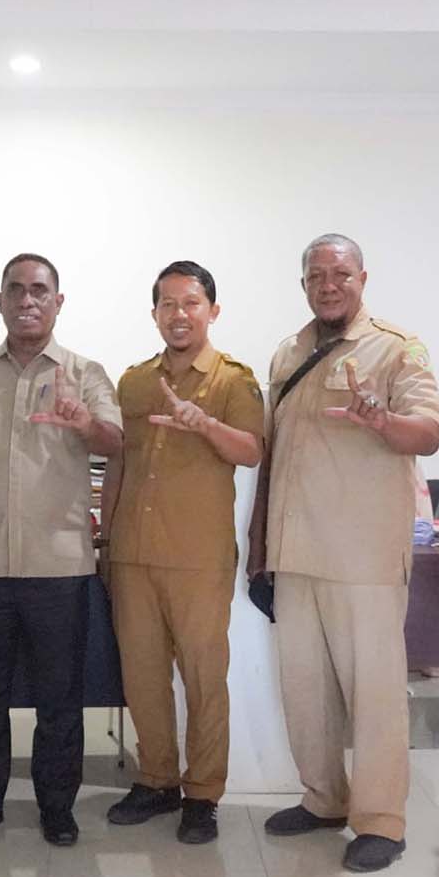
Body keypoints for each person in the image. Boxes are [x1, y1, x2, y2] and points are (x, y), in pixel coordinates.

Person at [246, 233, 439, 873]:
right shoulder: (288, 352)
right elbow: (273, 454)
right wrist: (259, 546)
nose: (328, 285)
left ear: (362, 278)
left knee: (375, 695)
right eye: (316, 276)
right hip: (296, 550)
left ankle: (381, 819)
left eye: (341, 274)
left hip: (363, 555)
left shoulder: (396, 348)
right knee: (305, 692)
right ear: (303, 283)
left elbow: (429, 433)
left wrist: (383, 420)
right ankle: (324, 798)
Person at [0, 252, 123, 848]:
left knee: (60, 701)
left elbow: (115, 442)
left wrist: (83, 423)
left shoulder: (85, 373)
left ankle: (57, 808)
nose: (27, 300)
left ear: (58, 301)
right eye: (16, 290)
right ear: (0, 301)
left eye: (40, 290)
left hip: (59, 568)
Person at [100, 261, 264, 845]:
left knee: (202, 678)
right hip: (133, 554)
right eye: (167, 304)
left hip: (198, 558)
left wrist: (206, 425)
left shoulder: (233, 380)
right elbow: (118, 462)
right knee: (142, 676)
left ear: (212, 311)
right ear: (154, 313)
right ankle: (157, 779)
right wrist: (106, 540)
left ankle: (203, 793)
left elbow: (251, 451)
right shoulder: (134, 381)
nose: (179, 314)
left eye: (191, 303)